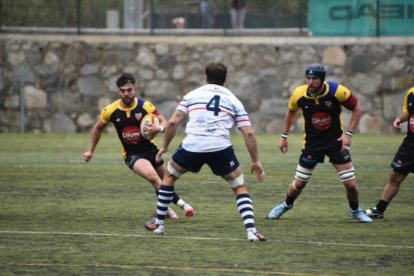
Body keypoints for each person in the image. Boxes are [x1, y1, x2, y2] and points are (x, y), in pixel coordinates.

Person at [144, 62, 267, 241]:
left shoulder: (192, 95)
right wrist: (255, 161)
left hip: (192, 146)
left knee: (169, 177)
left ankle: (160, 225)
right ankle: (251, 230)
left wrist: (164, 147)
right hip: (220, 148)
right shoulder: (233, 100)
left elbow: (172, 122)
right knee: (239, 185)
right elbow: (248, 132)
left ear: (205, 77)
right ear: (225, 79)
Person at [267, 63, 373, 223]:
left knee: (350, 184)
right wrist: (284, 136)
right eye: (308, 78)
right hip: (311, 144)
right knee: (299, 184)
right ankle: (286, 205)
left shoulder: (337, 91)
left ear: (322, 79)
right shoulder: (299, 94)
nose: (310, 82)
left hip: (336, 143)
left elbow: (357, 108)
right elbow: (291, 113)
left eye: (314, 78)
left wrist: (348, 135)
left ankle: (355, 210)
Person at [82, 72, 194, 220]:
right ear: (118, 91)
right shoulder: (110, 110)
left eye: (129, 90)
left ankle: (164, 209)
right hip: (132, 154)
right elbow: (98, 128)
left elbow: (165, 123)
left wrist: (158, 129)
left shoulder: (145, 106)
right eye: (122, 91)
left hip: (151, 150)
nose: (126, 94)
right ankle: (183, 205)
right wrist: (90, 150)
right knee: (153, 177)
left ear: (135, 89)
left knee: (166, 181)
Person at [365, 87, 414, 218]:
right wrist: (399, 119)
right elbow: (408, 112)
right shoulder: (411, 93)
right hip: (410, 145)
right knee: (395, 176)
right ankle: (379, 210)